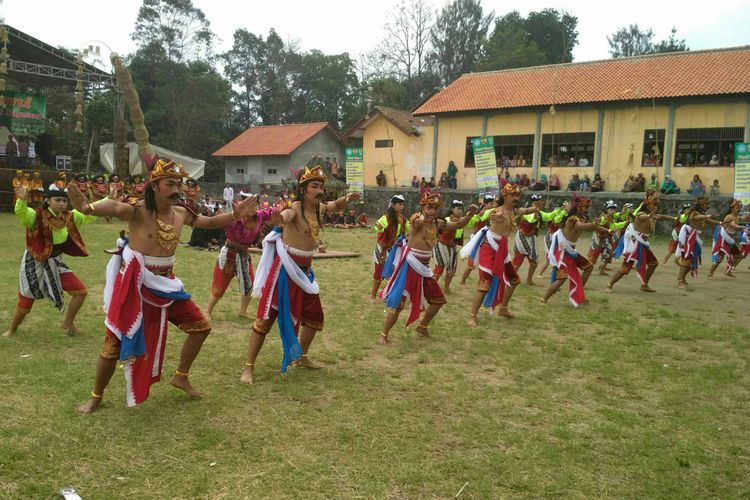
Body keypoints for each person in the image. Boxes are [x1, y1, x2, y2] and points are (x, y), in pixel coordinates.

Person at [72, 153, 259, 413]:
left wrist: (234, 215)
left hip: (167, 286)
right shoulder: (138, 210)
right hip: (135, 287)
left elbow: (209, 222)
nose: (176, 189)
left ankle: (180, 376)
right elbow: (115, 207)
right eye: (169, 184)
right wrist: (88, 208)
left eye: (178, 184)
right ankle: (96, 395)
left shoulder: (182, 212)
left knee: (201, 328)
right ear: (154, 186)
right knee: (112, 345)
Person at [243, 166, 361, 384]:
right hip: (284, 273)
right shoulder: (295, 208)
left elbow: (335, 205)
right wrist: (273, 217)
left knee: (315, 318)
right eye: (314, 186)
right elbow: (283, 217)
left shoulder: (318, 209)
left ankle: (300, 356)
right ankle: (248, 368)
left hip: (305, 274)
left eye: (321, 187)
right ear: (303, 189)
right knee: (264, 321)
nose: (319, 190)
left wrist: (348, 198)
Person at [378, 193, 476, 344]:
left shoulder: (438, 223)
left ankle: (422, 326)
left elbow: (457, 225)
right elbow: (417, 223)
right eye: (429, 207)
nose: (432, 210)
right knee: (398, 304)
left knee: (438, 300)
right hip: (410, 266)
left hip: (424, 268)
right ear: (423, 207)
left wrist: (470, 215)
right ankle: (383, 335)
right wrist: (425, 217)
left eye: (435, 208)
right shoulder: (416, 219)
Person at [3, 183, 96, 338]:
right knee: (26, 300)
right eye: (57, 200)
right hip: (34, 262)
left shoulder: (69, 216)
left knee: (80, 291)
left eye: (64, 201)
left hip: (55, 261)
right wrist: (22, 200)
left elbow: (90, 213)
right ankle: (12, 329)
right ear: (48, 200)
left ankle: (68, 323)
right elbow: (22, 213)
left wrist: (110, 199)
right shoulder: (36, 215)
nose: (61, 203)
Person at [463, 184, 537, 324]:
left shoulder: (514, 211)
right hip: (489, 248)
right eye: (512, 195)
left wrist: (535, 207)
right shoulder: (498, 211)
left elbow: (526, 210)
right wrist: (493, 215)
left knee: (514, 280)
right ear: (505, 196)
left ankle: (503, 308)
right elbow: (491, 216)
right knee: (485, 283)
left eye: (517, 195)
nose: (515, 198)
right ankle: (472, 316)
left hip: (501, 250)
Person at [206, 191, 278, 320]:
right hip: (229, 253)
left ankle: (242, 311)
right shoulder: (236, 218)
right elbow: (226, 223)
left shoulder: (260, 216)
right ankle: (208, 311)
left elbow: (273, 213)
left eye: (254, 205)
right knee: (220, 284)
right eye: (248, 206)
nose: (252, 209)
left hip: (244, 254)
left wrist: (282, 212)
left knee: (248, 283)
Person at [541, 195, 604, 306]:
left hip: (571, 251)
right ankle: (544, 299)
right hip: (563, 251)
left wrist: (608, 230)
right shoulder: (572, 219)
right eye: (585, 206)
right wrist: (594, 224)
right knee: (562, 278)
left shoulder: (583, 218)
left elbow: (594, 227)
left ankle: (578, 294)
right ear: (579, 207)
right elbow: (580, 227)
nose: (587, 209)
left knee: (588, 268)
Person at [606, 192, 672, 293]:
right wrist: (650, 215)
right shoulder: (641, 214)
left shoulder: (650, 215)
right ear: (647, 205)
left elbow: (661, 217)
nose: (655, 206)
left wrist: (674, 218)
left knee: (653, 263)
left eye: (655, 205)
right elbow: (642, 217)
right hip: (635, 246)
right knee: (625, 269)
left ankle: (644, 285)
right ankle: (609, 285)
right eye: (653, 205)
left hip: (643, 245)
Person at [511, 195, 565, 285]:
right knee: (518, 259)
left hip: (532, 238)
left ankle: (529, 280)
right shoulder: (527, 211)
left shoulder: (539, 212)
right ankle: (510, 278)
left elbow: (549, 216)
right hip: (522, 237)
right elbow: (532, 219)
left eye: (540, 203)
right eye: (537, 203)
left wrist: (561, 209)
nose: (540, 204)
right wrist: (535, 212)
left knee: (534, 261)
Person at [674, 197, 718, 289]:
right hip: (687, 237)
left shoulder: (701, 214)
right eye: (705, 204)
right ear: (700, 205)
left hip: (693, 237)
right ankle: (680, 281)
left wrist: (720, 222)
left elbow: (708, 220)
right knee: (687, 259)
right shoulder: (694, 213)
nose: (707, 206)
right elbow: (694, 218)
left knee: (692, 260)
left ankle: (681, 278)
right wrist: (707, 216)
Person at [371, 195, 409, 299]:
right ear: (393, 205)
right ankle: (373, 296)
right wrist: (381, 228)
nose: (402, 207)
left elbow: (409, 230)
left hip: (396, 249)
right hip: (383, 248)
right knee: (379, 271)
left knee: (394, 272)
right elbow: (378, 227)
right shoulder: (386, 217)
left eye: (403, 205)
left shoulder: (403, 219)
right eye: (399, 204)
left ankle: (388, 295)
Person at [458, 194, 497, 286]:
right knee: (472, 264)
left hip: (488, 240)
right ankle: (462, 281)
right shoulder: (481, 214)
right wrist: (478, 216)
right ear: (485, 204)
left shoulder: (492, 212)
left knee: (486, 262)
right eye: (491, 203)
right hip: (477, 239)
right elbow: (471, 224)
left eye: (493, 203)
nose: (493, 205)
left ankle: (482, 281)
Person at [708, 199, 747, 279]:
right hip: (724, 240)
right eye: (737, 208)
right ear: (732, 209)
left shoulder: (737, 217)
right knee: (719, 258)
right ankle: (710, 274)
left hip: (730, 240)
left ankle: (728, 270)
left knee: (738, 255)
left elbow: (744, 218)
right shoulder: (728, 217)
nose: (739, 209)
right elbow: (733, 225)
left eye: (740, 208)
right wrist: (742, 227)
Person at [433, 200, 465, 294]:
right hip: (441, 245)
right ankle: (431, 288)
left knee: (452, 269)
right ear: (452, 209)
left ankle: (446, 288)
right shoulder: (446, 220)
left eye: (461, 209)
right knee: (439, 267)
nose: (460, 211)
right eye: (458, 208)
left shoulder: (461, 220)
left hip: (452, 246)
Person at [587, 200, 623, 275]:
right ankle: (587, 268)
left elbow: (614, 223)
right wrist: (608, 230)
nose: (613, 211)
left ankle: (602, 268)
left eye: (614, 209)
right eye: (611, 209)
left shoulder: (611, 217)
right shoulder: (603, 218)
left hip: (606, 237)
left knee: (608, 252)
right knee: (594, 253)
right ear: (607, 210)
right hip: (599, 237)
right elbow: (598, 226)